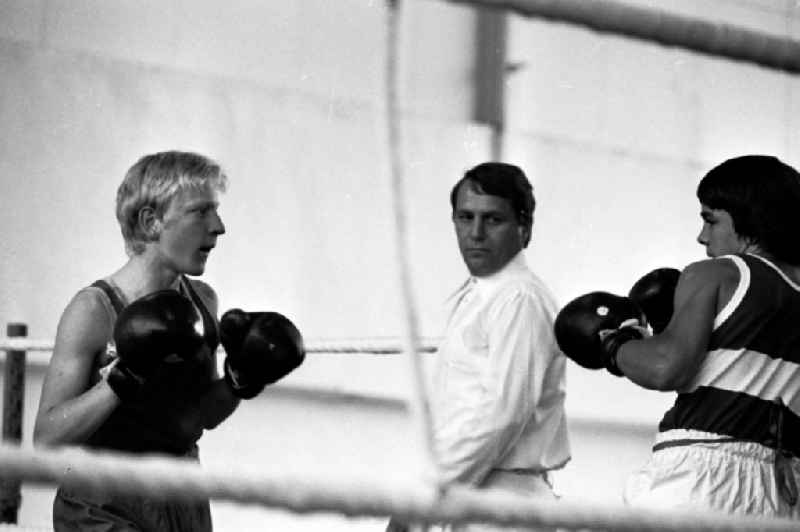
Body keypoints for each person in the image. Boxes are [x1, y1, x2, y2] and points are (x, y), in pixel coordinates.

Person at [33, 150, 305, 531]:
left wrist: (240, 379)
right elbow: (47, 438)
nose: (219, 226)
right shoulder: (94, 309)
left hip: (181, 493)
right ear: (151, 221)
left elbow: (202, 416)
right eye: (200, 211)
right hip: (103, 502)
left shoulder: (203, 300)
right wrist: (122, 377)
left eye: (216, 211)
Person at [555, 155, 800, 519]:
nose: (702, 237)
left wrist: (615, 343)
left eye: (710, 220)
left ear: (750, 219)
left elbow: (666, 368)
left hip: (700, 476)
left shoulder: (716, 274)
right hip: (781, 493)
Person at [389, 162, 570, 531]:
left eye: (493, 220)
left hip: (501, 501)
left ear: (524, 227)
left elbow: (502, 413)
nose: (475, 233)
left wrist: (423, 499)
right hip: (474, 496)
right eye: (465, 217)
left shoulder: (519, 297)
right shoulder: (485, 296)